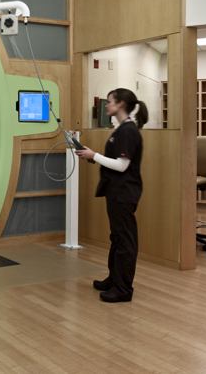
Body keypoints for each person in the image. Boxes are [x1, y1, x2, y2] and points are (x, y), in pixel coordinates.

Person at [75, 88, 147, 303]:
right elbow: (114, 160)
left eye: (110, 101)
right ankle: (114, 279)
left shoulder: (128, 131)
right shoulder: (121, 129)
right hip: (116, 192)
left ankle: (123, 289)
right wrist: (93, 156)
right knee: (117, 238)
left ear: (121, 104)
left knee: (125, 241)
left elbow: (122, 165)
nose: (106, 104)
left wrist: (94, 155)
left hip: (124, 193)